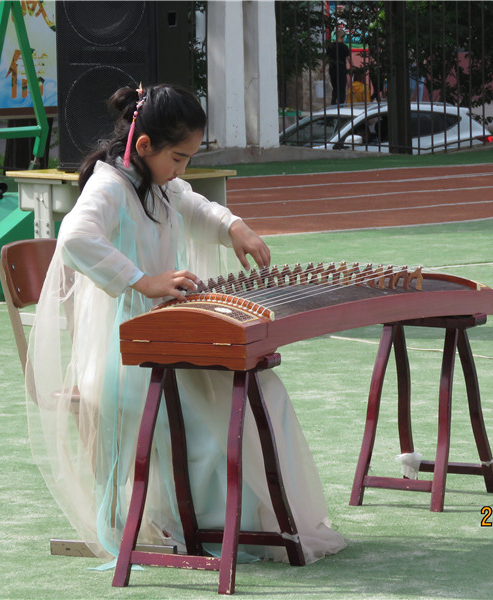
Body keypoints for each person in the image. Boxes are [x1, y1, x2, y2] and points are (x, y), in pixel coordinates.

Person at [25, 83, 346, 565]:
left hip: (165, 337)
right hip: (123, 354)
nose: (182, 171)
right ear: (144, 146)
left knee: (262, 390)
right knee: (213, 412)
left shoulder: (157, 181)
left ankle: (252, 524)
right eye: (178, 158)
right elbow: (74, 238)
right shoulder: (110, 185)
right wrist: (142, 280)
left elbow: (192, 203)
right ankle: (207, 528)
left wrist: (233, 225)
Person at [326, 27, 352, 105]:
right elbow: (348, 59)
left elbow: (326, 58)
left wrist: (322, 68)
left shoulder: (331, 46)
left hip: (332, 69)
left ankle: (333, 102)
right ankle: (341, 103)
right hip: (341, 69)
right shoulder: (344, 47)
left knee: (335, 87)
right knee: (341, 87)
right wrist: (353, 66)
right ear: (342, 37)